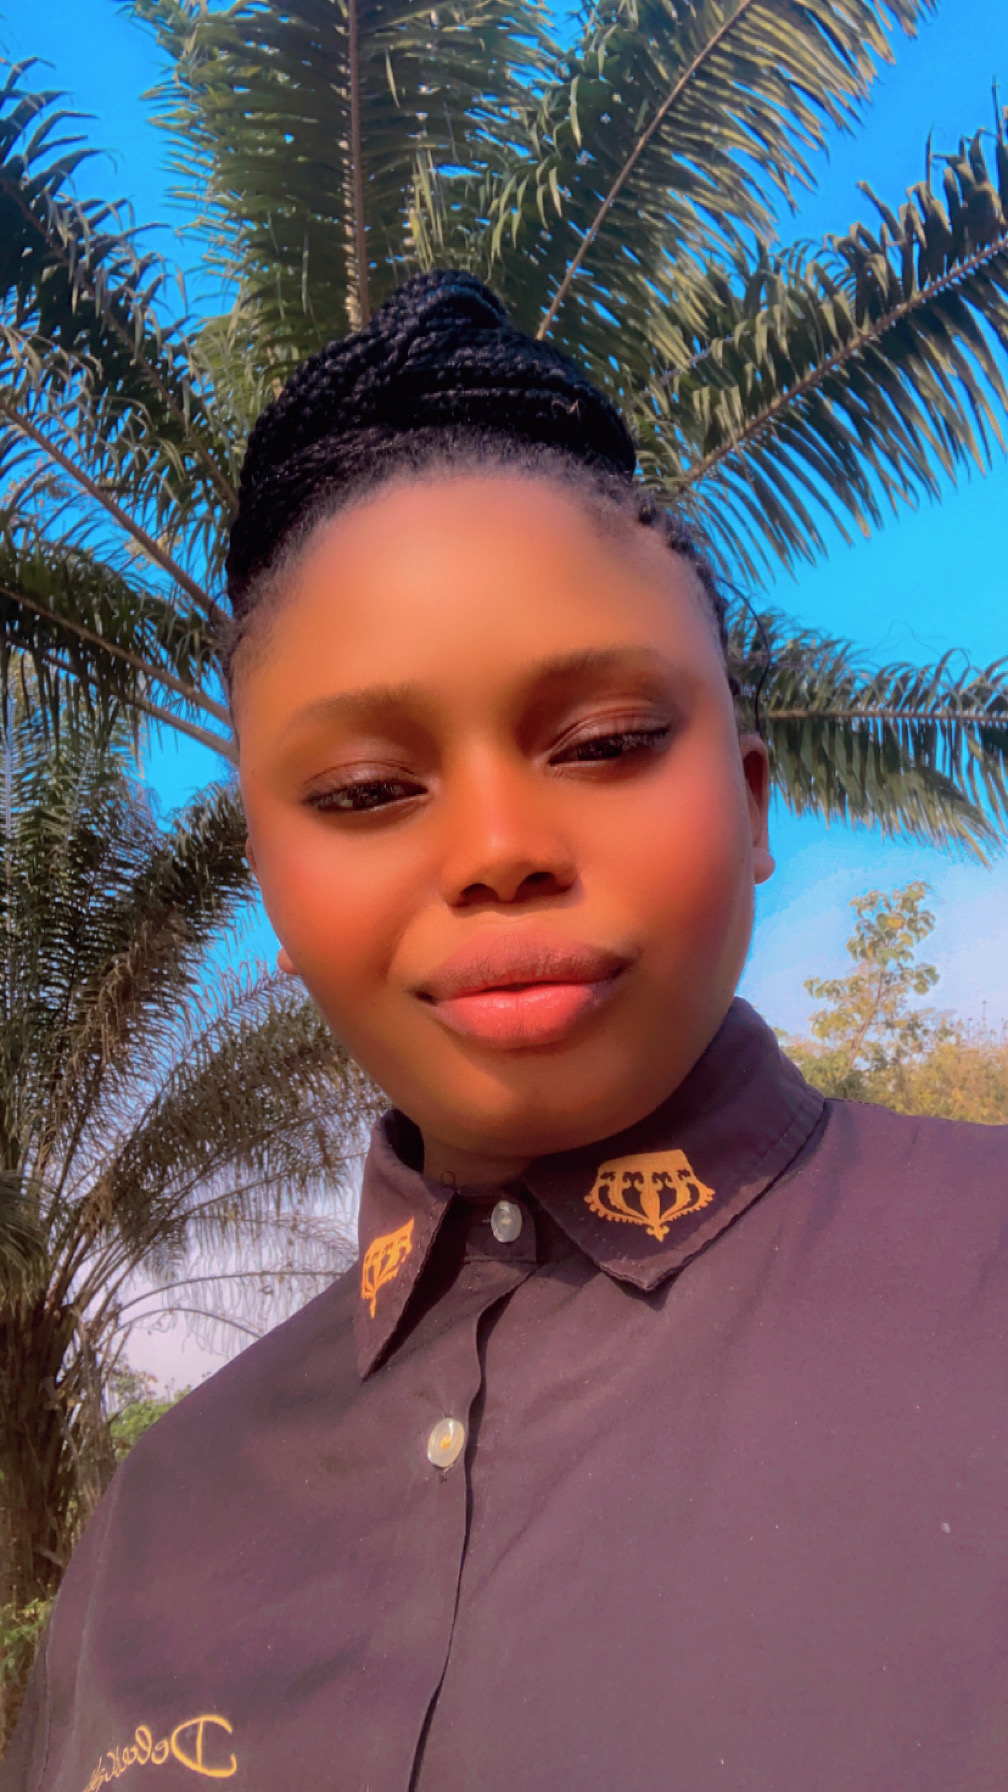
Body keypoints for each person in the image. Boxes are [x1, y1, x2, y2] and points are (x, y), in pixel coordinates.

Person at [4, 267, 1006, 1792]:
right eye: (365, 791)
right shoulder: (158, 1520)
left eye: (604, 743)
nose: (496, 849)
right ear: (274, 889)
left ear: (750, 804)